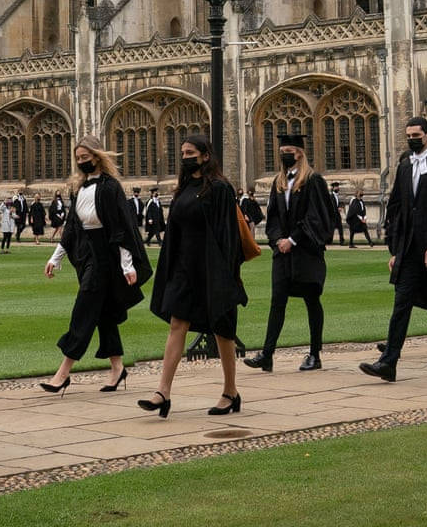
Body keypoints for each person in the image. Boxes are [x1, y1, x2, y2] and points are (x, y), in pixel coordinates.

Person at [140, 133, 246, 418]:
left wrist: (228, 275)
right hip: (185, 269)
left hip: (213, 269)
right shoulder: (184, 189)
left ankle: (230, 391)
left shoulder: (221, 189)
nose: (186, 157)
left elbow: (228, 236)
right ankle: (163, 392)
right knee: (178, 323)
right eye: (183, 153)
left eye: (191, 153)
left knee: (222, 330)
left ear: (206, 155)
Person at [40, 136, 150, 395]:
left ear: (97, 157)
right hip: (87, 253)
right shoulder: (78, 190)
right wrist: (55, 258)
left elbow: (120, 228)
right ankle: (117, 368)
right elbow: (71, 229)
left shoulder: (110, 187)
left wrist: (127, 265)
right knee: (104, 314)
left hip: (107, 255)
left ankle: (63, 372)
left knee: (84, 309)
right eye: (78, 159)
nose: (81, 163)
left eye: (85, 158)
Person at [360, 116, 427, 384]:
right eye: (408, 135)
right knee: (401, 304)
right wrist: (394, 250)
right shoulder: (405, 165)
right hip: (409, 251)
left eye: (417, 134)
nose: (412, 139)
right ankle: (388, 362)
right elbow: (395, 209)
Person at [244, 133, 335, 373]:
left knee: (311, 300)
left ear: (300, 153)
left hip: (306, 252)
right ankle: (267, 354)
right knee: (277, 302)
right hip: (283, 254)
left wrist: (293, 239)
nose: (285, 155)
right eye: (282, 151)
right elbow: (272, 217)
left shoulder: (313, 180)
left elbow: (316, 216)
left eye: (289, 151)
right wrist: (277, 241)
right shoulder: (278, 182)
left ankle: (315, 354)